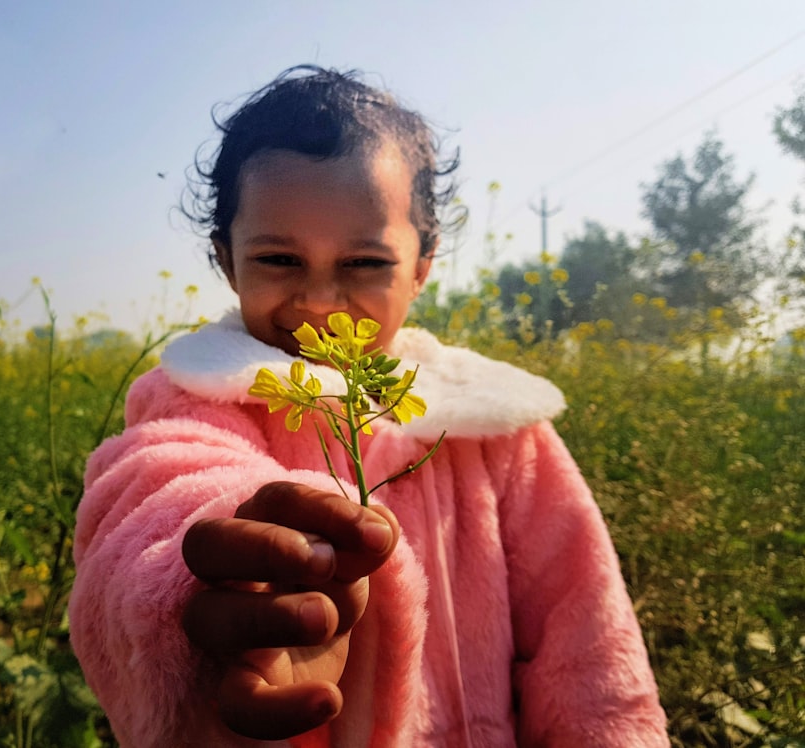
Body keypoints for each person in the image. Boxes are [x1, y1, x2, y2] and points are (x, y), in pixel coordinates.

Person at [68, 65, 669, 747]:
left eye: (363, 264)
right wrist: (220, 553)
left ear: (421, 268)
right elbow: (151, 493)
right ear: (227, 261)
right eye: (279, 260)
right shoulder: (195, 396)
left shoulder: (494, 423)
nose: (320, 303)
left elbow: (589, 640)